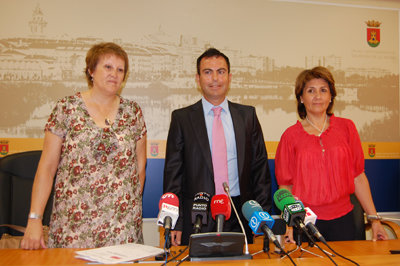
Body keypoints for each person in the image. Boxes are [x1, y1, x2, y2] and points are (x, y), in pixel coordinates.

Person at [21, 42, 147, 249]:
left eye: (120, 69)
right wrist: (34, 218)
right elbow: (46, 169)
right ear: (90, 70)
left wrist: (126, 211)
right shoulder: (66, 108)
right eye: (107, 67)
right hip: (74, 225)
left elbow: (139, 170)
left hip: (122, 228)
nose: (114, 74)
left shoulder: (133, 112)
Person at [163, 48, 272, 246]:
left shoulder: (247, 116)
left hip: (241, 212)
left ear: (229, 77)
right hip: (198, 213)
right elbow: (174, 175)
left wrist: (262, 217)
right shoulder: (182, 118)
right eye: (207, 72)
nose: (215, 78)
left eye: (221, 71)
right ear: (197, 78)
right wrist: (175, 221)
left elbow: (260, 169)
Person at [275, 66, 388, 242]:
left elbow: (358, 176)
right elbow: (285, 187)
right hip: (305, 222)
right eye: (310, 91)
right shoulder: (290, 136)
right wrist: (289, 224)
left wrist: (374, 220)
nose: (317, 96)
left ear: (331, 96)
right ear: (301, 98)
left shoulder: (347, 128)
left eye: (323, 90)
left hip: (344, 221)